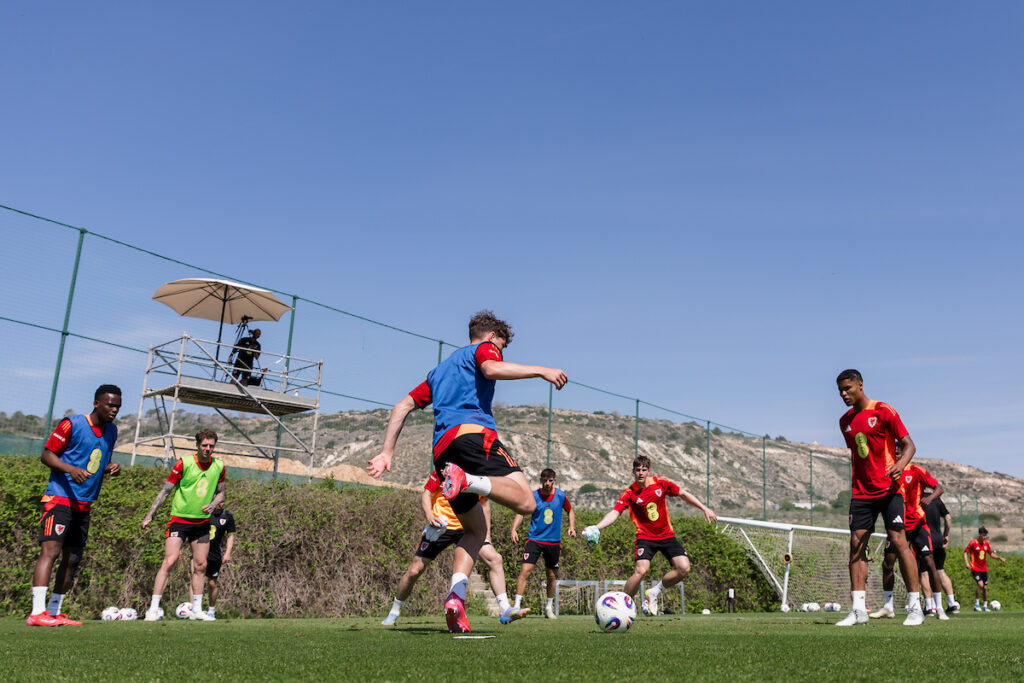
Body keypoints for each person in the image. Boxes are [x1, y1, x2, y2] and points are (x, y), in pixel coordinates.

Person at [367, 310, 567, 633]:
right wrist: (541, 371)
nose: (499, 352)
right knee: (528, 503)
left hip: (443, 454)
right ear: (491, 338)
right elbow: (490, 368)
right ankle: (471, 481)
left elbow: (401, 406)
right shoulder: (483, 350)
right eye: (500, 346)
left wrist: (386, 452)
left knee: (474, 532)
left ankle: (455, 599)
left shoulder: (437, 372)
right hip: (473, 437)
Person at [27, 385, 122, 627]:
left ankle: (53, 611)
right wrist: (70, 469)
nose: (114, 410)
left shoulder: (112, 431)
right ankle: (36, 613)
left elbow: (100, 457)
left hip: (84, 504)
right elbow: (47, 455)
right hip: (59, 498)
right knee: (51, 552)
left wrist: (111, 467)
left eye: (118, 406)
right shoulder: (72, 424)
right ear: (96, 403)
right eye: (110, 405)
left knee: (72, 559)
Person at [835, 369, 924, 627]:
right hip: (861, 492)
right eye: (840, 390)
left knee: (898, 541)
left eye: (848, 388)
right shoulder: (845, 422)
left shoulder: (884, 411)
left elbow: (909, 445)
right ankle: (858, 610)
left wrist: (900, 464)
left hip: (888, 489)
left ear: (860, 385)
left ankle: (915, 607)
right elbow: (859, 455)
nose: (844, 394)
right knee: (855, 543)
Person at [381, 472, 527, 626]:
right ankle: (394, 611)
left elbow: (485, 506)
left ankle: (505, 609)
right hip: (441, 526)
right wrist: (429, 515)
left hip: (468, 528)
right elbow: (426, 494)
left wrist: (487, 535)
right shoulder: (444, 470)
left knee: (495, 559)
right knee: (414, 570)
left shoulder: (475, 473)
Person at [582, 455, 717, 616]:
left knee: (684, 568)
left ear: (648, 471)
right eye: (637, 470)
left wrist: (704, 508)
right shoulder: (629, 493)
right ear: (633, 471)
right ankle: (622, 606)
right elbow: (615, 513)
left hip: (666, 535)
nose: (640, 473)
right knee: (641, 570)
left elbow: (683, 494)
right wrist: (597, 527)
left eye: (644, 470)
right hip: (645, 537)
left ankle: (654, 592)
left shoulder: (660, 483)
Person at [142, 429, 226, 621]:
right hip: (179, 520)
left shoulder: (219, 466)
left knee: (201, 566)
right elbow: (165, 491)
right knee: (170, 561)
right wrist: (149, 515)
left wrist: (213, 504)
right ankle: (153, 609)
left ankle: (197, 609)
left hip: (202, 523)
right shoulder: (184, 463)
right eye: (204, 445)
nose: (207, 449)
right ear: (197, 445)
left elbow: (222, 493)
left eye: (211, 446)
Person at [869, 462, 947, 620]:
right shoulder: (886, 470)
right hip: (897, 526)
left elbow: (939, 487)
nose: (895, 455)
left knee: (930, 564)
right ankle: (888, 606)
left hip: (918, 524)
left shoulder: (916, 470)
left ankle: (939, 608)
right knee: (888, 564)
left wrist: (930, 498)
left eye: (898, 452)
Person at [510, 468, 576, 619]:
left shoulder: (560, 495)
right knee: (525, 571)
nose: (547, 483)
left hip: (553, 542)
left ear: (554, 481)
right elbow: (521, 511)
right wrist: (514, 529)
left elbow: (570, 510)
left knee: (551, 576)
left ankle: (548, 608)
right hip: (535, 540)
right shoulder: (533, 496)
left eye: (550, 481)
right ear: (540, 480)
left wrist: (571, 527)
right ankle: (515, 607)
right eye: (544, 480)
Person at [922, 494, 958, 612]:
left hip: (923, 539)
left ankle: (929, 607)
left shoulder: (917, 498)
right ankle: (952, 603)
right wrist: (945, 535)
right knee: (940, 571)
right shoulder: (936, 499)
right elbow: (948, 518)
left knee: (924, 573)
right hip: (938, 540)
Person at [202, 503, 235, 619]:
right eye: (218, 501)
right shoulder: (203, 513)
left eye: (222, 501)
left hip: (215, 554)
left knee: (212, 583)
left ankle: (211, 611)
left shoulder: (227, 516)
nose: (220, 504)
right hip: (199, 551)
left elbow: (231, 535)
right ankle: (193, 609)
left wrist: (227, 553)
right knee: (196, 579)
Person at [964, 527, 1005, 611]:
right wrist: (967, 563)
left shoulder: (986, 544)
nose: (984, 537)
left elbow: (991, 554)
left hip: (984, 569)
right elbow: (965, 552)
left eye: (985, 536)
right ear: (979, 534)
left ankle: (985, 606)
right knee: (980, 585)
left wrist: (999, 558)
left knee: (985, 588)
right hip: (975, 568)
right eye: (983, 535)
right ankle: (976, 604)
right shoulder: (973, 543)